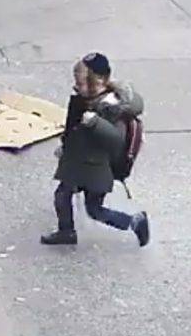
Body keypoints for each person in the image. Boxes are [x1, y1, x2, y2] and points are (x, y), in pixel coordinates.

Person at [41, 52, 150, 247]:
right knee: (63, 196)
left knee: (93, 209)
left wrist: (94, 123)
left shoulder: (111, 108)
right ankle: (67, 231)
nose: (76, 86)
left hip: (95, 170)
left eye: (81, 82)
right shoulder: (87, 100)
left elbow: (116, 141)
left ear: (98, 81)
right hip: (80, 163)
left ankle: (135, 221)